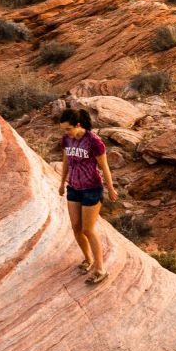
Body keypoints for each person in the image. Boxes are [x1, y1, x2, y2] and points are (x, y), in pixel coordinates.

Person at [56, 105, 114, 282]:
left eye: (69, 129)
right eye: (64, 130)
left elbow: (104, 167)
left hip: (91, 189)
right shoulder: (67, 140)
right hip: (73, 187)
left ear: (78, 124)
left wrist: (110, 188)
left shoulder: (94, 142)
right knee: (76, 227)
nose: (66, 133)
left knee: (88, 229)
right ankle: (88, 259)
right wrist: (61, 182)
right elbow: (66, 161)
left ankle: (100, 269)